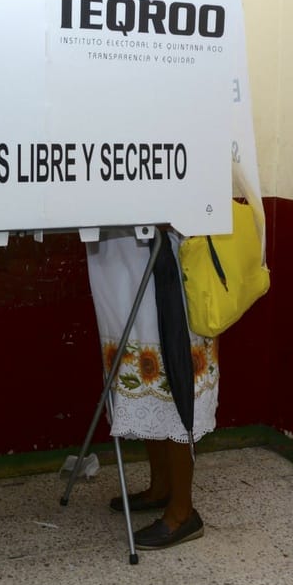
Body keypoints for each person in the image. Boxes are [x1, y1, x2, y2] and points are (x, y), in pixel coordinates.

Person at [86, 229, 219, 550]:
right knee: (141, 368)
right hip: (118, 255)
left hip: (167, 256)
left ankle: (182, 511)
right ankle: (161, 487)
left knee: (170, 375)